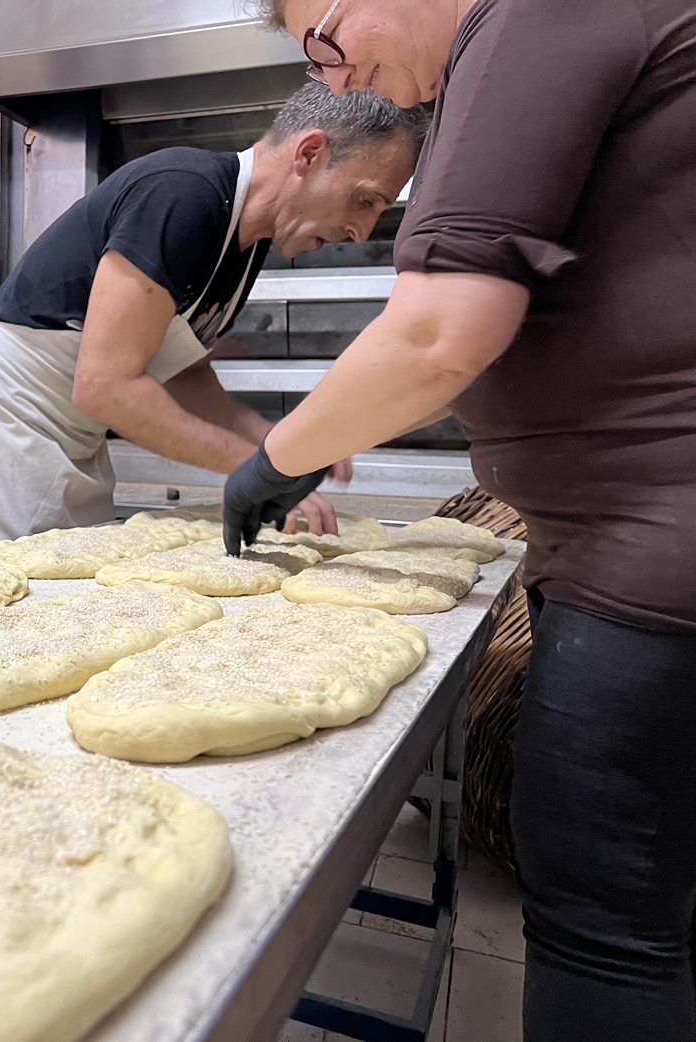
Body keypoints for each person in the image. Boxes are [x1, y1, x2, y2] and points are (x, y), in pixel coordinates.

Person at [228, 2, 696, 1039]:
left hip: (653, 540)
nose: (341, 76)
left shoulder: (535, 16)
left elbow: (439, 331)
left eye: (324, 37)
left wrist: (269, 459)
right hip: (640, 531)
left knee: (600, 925)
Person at [0, 82, 425, 551]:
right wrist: (258, 468)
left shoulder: (246, 244)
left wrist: (278, 442)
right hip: (7, 405)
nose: (361, 233)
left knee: (67, 593)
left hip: (67, 424)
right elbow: (104, 385)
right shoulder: (183, 194)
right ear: (310, 154)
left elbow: (186, 374)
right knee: (18, 597)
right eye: (364, 200)